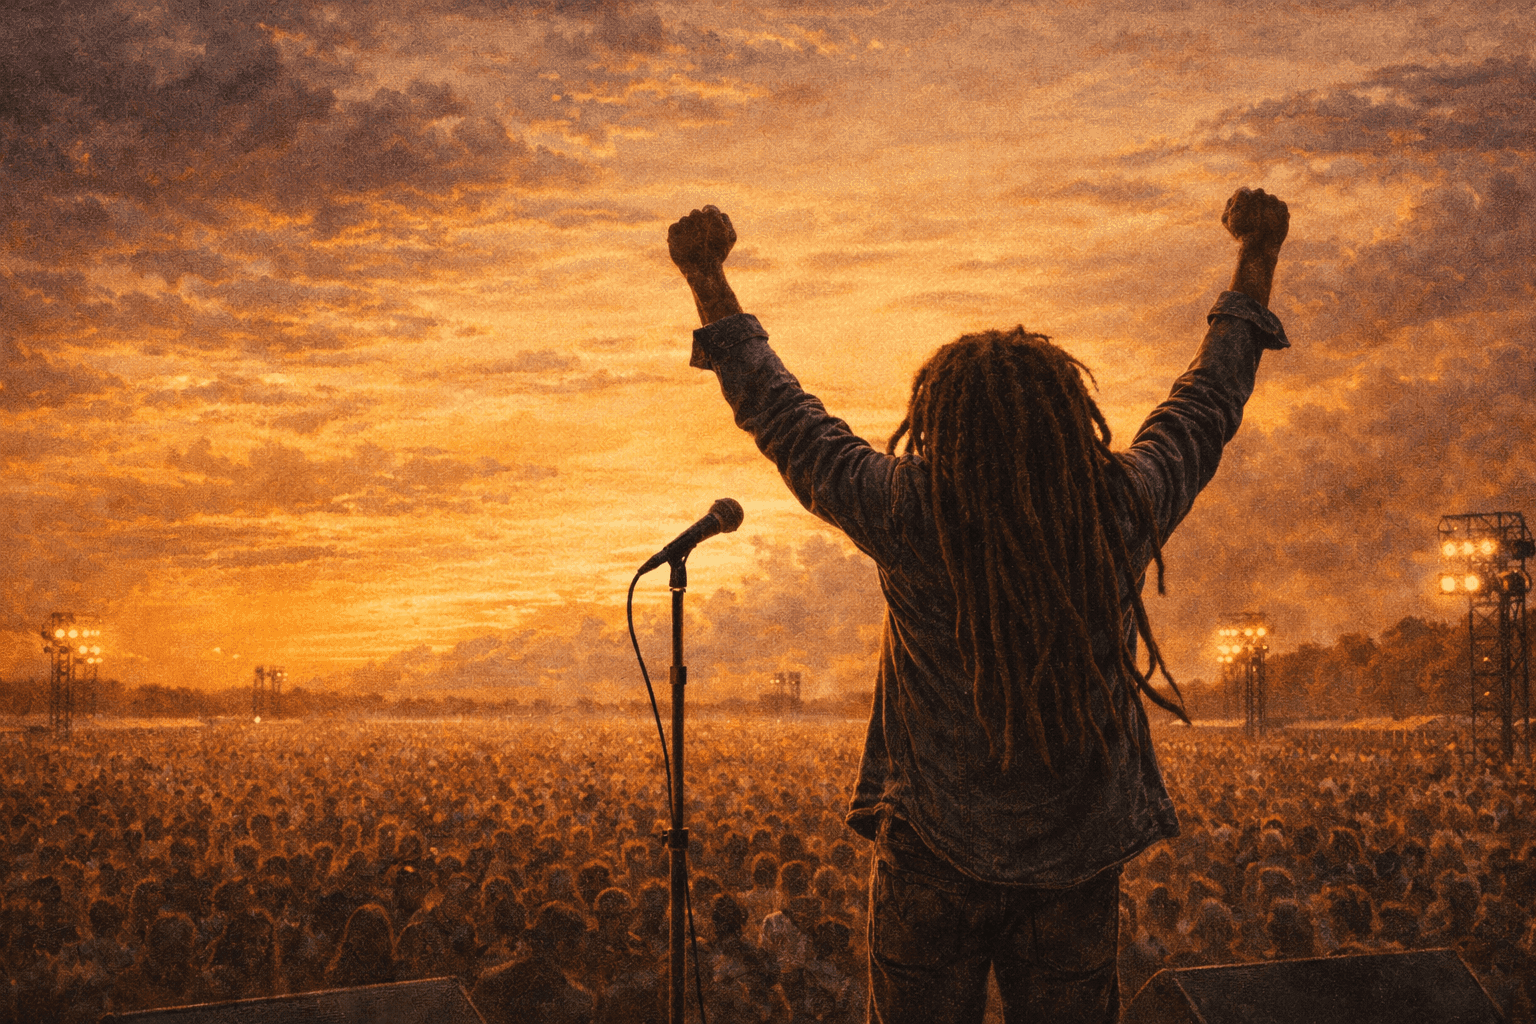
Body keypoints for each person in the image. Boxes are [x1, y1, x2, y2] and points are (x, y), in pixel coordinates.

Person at [667, 187, 1291, 1024]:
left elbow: (784, 415)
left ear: (939, 423)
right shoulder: (1116, 507)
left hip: (932, 851)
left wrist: (708, 280)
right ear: (1071, 416)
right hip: (1076, 858)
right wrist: (1256, 259)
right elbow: (1207, 404)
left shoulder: (909, 507)